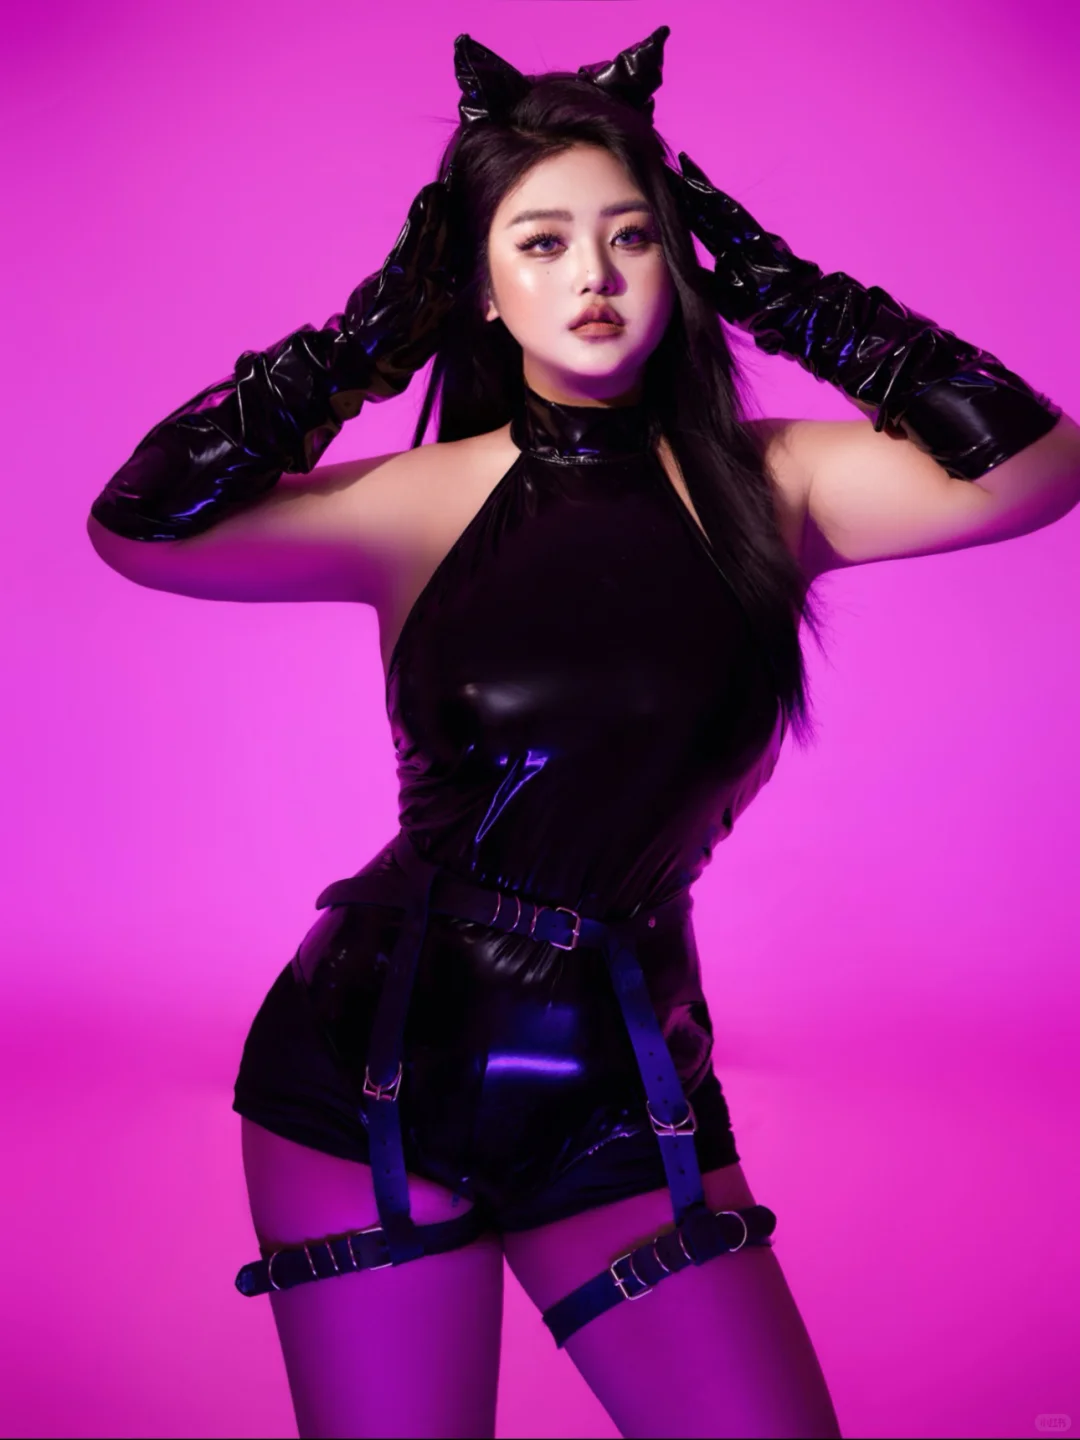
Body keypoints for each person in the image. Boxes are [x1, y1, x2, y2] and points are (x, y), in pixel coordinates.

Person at [86, 26, 1077, 1440]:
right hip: (366, 1077)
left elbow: (1036, 465)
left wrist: (792, 295)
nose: (594, 276)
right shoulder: (423, 500)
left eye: (631, 237)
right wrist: (370, 337)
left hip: (624, 1092)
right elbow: (139, 529)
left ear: (681, 262)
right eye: (541, 243)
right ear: (480, 288)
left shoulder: (775, 488)